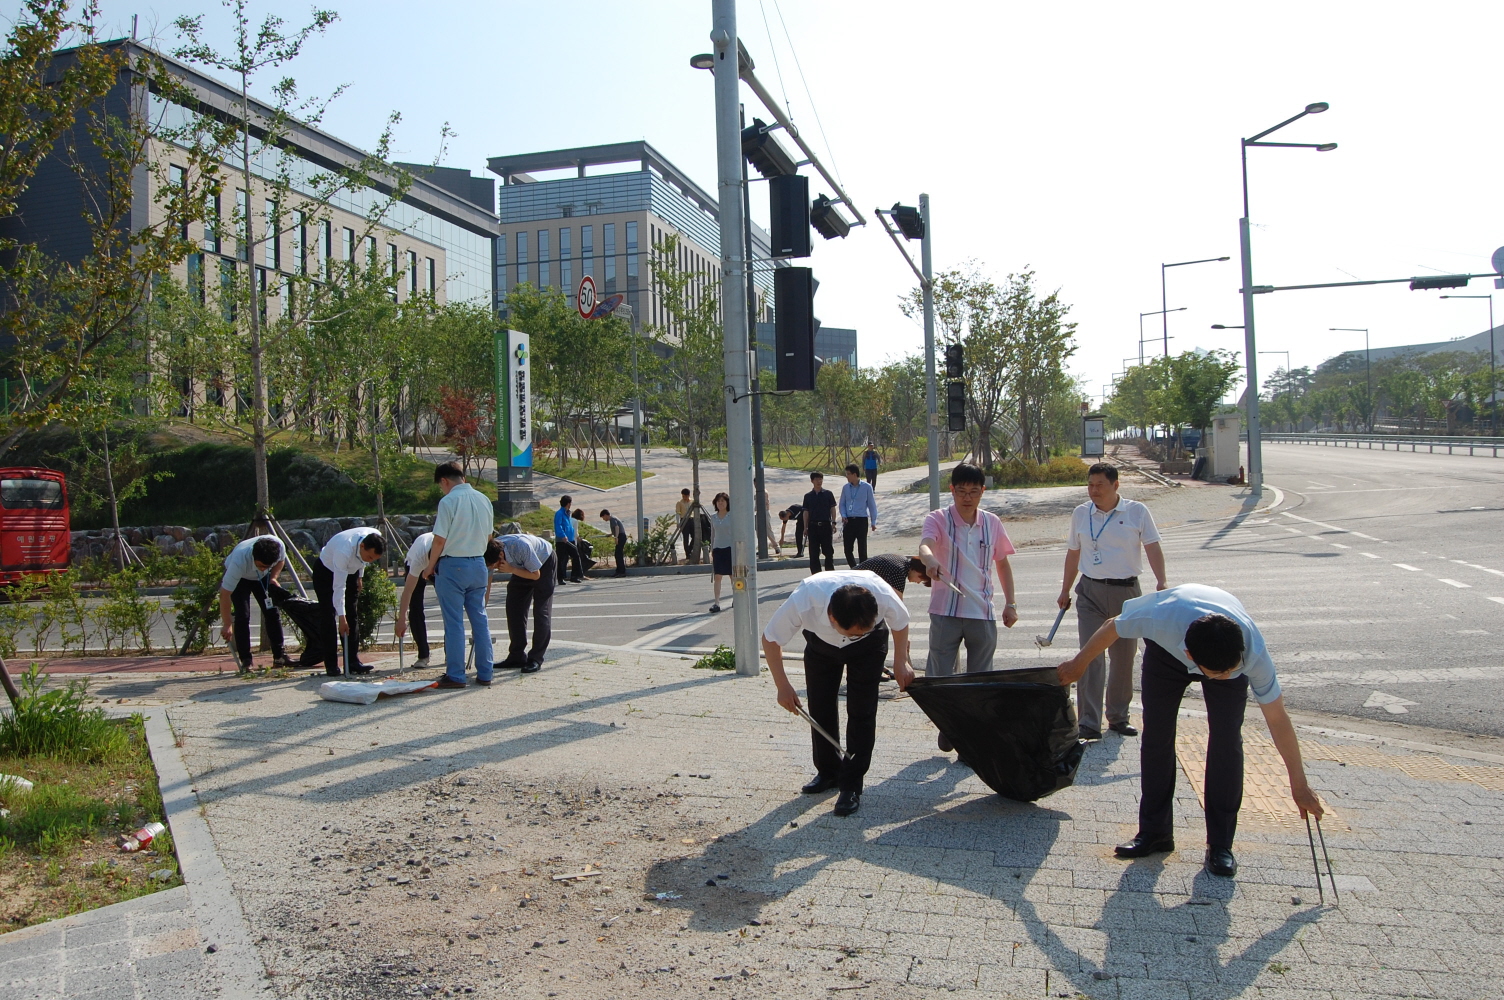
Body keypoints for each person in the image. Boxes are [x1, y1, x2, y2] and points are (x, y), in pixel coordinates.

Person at [1056, 584, 1325, 878]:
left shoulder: (1251, 653)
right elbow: (1111, 627)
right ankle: (1154, 832)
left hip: (1216, 644)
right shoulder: (1161, 618)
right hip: (1166, 653)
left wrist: (1299, 784)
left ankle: (1221, 844)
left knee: (1226, 741)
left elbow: (1277, 719)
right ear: (1190, 655)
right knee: (1156, 736)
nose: (1226, 677)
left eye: (1232, 670)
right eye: (1219, 674)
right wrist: (1078, 665)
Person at [762, 571, 914, 818]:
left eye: (861, 630)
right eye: (851, 632)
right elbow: (770, 639)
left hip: (869, 650)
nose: (854, 636)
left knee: (862, 711)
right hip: (821, 647)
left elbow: (901, 622)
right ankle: (828, 772)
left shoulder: (881, 592)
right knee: (820, 707)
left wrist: (900, 661)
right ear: (831, 617)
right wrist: (783, 686)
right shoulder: (806, 597)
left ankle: (851, 785)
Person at [1058, 462, 1168, 741]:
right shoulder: (1081, 513)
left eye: (1100, 485)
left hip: (1127, 593)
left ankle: (1118, 717)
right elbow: (1073, 553)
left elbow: (1152, 547)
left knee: (1123, 658)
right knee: (1090, 655)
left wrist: (1162, 581)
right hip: (1091, 592)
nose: (1094, 491)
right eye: (1090, 485)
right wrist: (1065, 589)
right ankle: (1088, 722)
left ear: (1116, 485)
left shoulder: (1137, 512)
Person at [918, 462, 1018, 751]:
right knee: (940, 678)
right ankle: (948, 726)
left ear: (983, 491)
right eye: (961, 491)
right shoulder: (937, 519)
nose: (967, 497)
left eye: (974, 491)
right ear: (952, 490)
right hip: (945, 611)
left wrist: (1011, 603)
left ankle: (971, 742)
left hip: (982, 612)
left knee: (980, 682)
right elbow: (925, 545)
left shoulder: (992, 522)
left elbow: (1003, 563)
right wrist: (930, 560)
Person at [426, 462, 497, 689]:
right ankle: (486, 672)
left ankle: (456, 675)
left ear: (444, 481)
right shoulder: (483, 499)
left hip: (452, 565)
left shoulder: (448, 501)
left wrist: (430, 566)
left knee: (454, 621)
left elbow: (439, 539)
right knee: (480, 619)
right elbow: (489, 535)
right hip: (478, 563)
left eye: (441, 486)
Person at [313, 526, 385, 677]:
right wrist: (341, 617)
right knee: (329, 616)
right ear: (362, 546)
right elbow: (338, 587)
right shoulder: (343, 551)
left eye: (374, 559)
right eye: (370, 557)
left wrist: (360, 575)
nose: (370, 561)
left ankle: (352, 662)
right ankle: (331, 665)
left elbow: (363, 561)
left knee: (352, 615)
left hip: (351, 571)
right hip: (327, 572)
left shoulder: (375, 536)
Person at [218, 535, 288, 674]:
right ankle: (246, 660)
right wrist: (227, 624)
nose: (263, 569)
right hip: (242, 578)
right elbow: (224, 594)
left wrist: (273, 577)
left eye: (267, 566)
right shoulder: (239, 561)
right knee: (243, 615)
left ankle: (279, 656)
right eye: (261, 565)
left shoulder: (278, 547)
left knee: (272, 612)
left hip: (262, 580)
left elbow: (281, 561)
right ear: (253, 558)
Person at [495, 530, 558, 672]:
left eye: (495, 566)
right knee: (513, 607)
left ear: (501, 556)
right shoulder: (492, 549)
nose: (495, 569)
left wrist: (511, 569)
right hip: (521, 565)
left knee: (541, 611)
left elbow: (536, 575)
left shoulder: (520, 546)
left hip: (543, 562)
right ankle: (516, 656)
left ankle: (535, 659)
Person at [393, 531, 435, 669]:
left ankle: (451, 653)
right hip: (417, 562)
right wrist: (401, 619)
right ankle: (423, 655)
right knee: (415, 609)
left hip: (439, 563)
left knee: (450, 606)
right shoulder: (418, 559)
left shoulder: (449, 552)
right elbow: (408, 592)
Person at [839, 463, 878, 568]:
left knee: (862, 549)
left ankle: (863, 569)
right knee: (847, 549)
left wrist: (873, 522)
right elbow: (842, 503)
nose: (846, 476)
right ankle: (854, 568)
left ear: (855, 474)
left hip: (861, 520)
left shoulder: (867, 487)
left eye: (848, 474)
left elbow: (872, 505)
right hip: (849, 521)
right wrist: (843, 514)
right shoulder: (846, 488)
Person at [801, 472, 837, 574]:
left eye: (821, 479)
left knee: (828, 551)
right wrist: (805, 527)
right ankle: (816, 573)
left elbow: (832, 509)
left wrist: (833, 522)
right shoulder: (808, 496)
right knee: (814, 552)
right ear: (812, 481)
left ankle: (830, 572)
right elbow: (806, 512)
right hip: (813, 526)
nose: (819, 481)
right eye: (817, 479)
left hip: (825, 525)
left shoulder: (828, 494)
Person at [856, 553, 930, 595]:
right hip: (854, 585)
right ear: (918, 570)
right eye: (921, 578)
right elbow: (898, 604)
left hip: (854, 579)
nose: (918, 582)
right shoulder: (900, 571)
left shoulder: (902, 560)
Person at [707, 492, 732, 613]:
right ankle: (716, 603)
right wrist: (712, 549)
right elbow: (713, 534)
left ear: (727, 503)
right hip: (718, 549)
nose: (720, 503)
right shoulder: (713, 517)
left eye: (723, 501)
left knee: (733, 576)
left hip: (730, 548)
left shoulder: (732, 516)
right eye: (718, 501)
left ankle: (736, 599)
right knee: (718, 577)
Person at [553, 495, 585, 584]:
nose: (571, 504)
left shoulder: (568, 513)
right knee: (561, 559)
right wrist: (562, 535)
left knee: (576, 556)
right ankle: (560, 578)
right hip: (562, 540)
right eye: (570, 503)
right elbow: (558, 525)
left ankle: (574, 576)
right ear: (568, 503)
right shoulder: (559, 513)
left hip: (569, 539)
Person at [599, 509, 628, 577]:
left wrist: (616, 537)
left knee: (618, 554)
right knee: (617, 554)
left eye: (603, 517)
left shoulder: (612, 519)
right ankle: (618, 571)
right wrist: (611, 534)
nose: (603, 519)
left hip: (621, 536)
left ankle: (622, 572)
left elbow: (617, 527)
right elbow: (615, 529)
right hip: (620, 536)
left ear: (606, 515)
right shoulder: (613, 518)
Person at [571, 507, 596, 572]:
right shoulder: (575, 521)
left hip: (567, 540)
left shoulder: (569, 519)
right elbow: (575, 533)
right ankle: (578, 573)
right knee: (577, 557)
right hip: (573, 541)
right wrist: (579, 539)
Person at [675, 489, 695, 561]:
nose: (684, 498)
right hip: (684, 520)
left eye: (686, 496)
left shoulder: (692, 501)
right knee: (685, 538)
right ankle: (687, 554)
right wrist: (678, 523)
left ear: (688, 495)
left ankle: (690, 549)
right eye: (683, 496)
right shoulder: (679, 503)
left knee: (694, 536)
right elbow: (678, 513)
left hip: (691, 520)